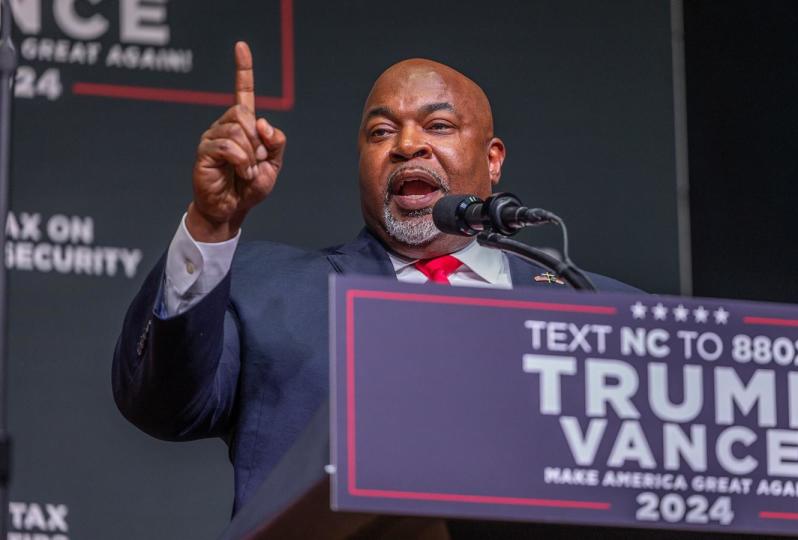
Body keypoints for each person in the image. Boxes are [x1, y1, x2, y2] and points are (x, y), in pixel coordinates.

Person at [112, 42, 636, 513]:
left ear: (492, 160)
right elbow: (162, 405)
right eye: (381, 132)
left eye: (438, 126)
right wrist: (211, 223)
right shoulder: (267, 293)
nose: (408, 145)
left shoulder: (600, 308)